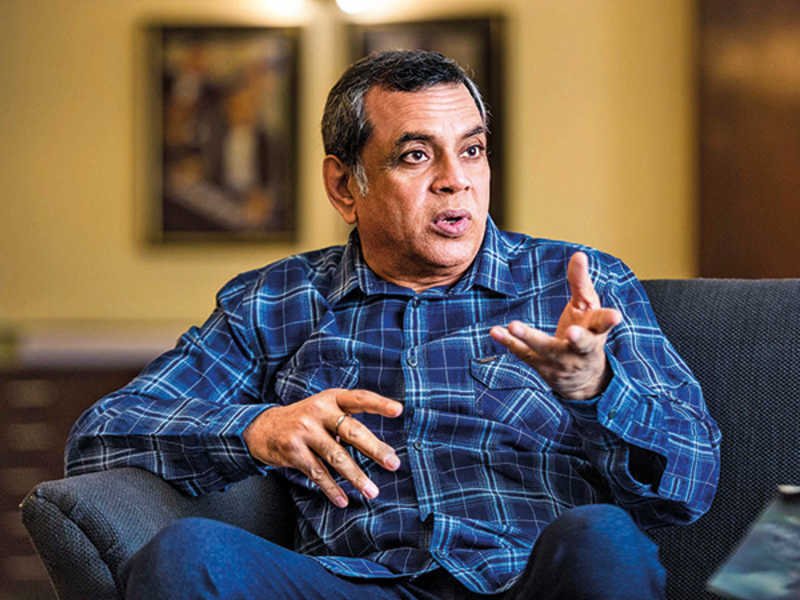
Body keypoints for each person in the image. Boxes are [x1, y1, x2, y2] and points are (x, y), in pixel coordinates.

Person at [66, 50, 721, 599]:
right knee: (188, 553)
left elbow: (691, 483)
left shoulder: (577, 282)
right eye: (415, 156)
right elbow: (101, 437)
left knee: (602, 537)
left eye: (472, 150)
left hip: (527, 580)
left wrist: (595, 390)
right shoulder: (277, 300)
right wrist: (256, 429)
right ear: (344, 187)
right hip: (355, 583)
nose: (455, 182)